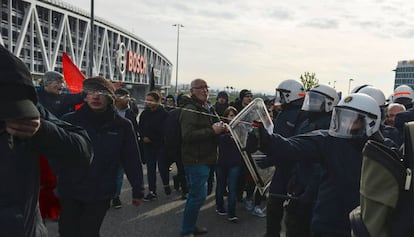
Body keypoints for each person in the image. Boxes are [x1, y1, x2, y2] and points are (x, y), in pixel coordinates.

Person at [252, 93, 384, 237]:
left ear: (371, 122)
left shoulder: (383, 151)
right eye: (341, 117)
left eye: (351, 120)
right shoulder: (328, 140)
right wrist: (267, 141)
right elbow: (292, 146)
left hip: (361, 227)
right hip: (327, 224)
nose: (344, 124)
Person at [0, 44, 92, 237]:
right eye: (56, 82)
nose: (60, 86)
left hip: (29, 225)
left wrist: (42, 129)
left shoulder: (31, 107)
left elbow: (82, 148)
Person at [58, 76, 144, 237]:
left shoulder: (122, 125)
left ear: (111, 97)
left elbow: (131, 158)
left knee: (88, 231)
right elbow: (55, 154)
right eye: (90, 92)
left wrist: (137, 189)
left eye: (101, 92)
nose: (95, 96)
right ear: (84, 96)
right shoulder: (69, 121)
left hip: (101, 191)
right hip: (71, 189)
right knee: (67, 231)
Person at [284, 84, 338, 237]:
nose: (311, 104)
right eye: (311, 100)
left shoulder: (330, 127)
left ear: (329, 103)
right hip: (301, 183)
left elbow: (322, 164)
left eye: (316, 101)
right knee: (292, 224)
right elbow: (297, 150)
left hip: (315, 192)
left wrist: (309, 191)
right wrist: (294, 179)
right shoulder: (306, 122)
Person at [180, 78, 225, 237]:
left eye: (206, 87)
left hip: (206, 157)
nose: (204, 90)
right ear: (191, 91)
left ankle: (190, 225)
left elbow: (215, 125)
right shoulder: (190, 109)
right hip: (195, 159)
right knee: (197, 196)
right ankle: (186, 231)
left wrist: (223, 127)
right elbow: (188, 136)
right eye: (199, 88)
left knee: (198, 196)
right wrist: (213, 131)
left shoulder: (207, 107)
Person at [265, 79, 306, 237]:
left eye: (282, 94)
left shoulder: (301, 115)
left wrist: (272, 158)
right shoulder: (285, 112)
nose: (279, 97)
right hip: (284, 167)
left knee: (289, 209)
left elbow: (292, 144)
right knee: (274, 203)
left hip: (293, 169)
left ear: (291, 95)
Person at [139, 91, 171, 201]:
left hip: (160, 145)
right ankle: (152, 191)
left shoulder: (164, 114)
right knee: (150, 169)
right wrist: (143, 136)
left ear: (158, 101)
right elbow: (141, 127)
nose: (149, 102)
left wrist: (152, 138)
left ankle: (166, 184)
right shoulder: (144, 113)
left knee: (162, 167)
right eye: (147, 100)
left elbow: (165, 131)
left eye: (151, 100)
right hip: (148, 146)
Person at [112, 88, 140, 209]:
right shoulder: (108, 110)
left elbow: (135, 129)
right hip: (109, 147)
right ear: (117, 98)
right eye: (125, 96)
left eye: (128, 96)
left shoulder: (130, 112)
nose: (128, 99)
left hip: (123, 148)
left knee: (118, 174)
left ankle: (115, 196)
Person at [215, 106, 244, 223]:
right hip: (221, 163)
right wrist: (227, 134)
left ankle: (232, 213)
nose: (233, 117)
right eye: (231, 115)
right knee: (220, 186)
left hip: (235, 163)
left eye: (234, 115)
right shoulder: (220, 127)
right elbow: (216, 140)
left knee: (232, 188)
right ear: (226, 116)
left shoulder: (240, 128)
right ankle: (220, 206)